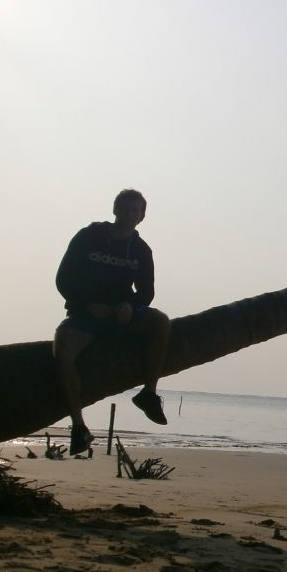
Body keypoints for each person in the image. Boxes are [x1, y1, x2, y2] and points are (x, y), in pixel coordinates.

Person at [54, 189, 171, 455]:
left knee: (161, 323)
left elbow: (146, 292)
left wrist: (131, 306)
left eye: (136, 210)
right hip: (86, 314)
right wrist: (87, 304)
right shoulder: (88, 237)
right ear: (115, 209)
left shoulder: (141, 250)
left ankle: (148, 393)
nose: (130, 214)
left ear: (142, 216)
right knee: (62, 351)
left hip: (122, 316)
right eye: (126, 208)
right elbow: (64, 279)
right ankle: (79, 427)